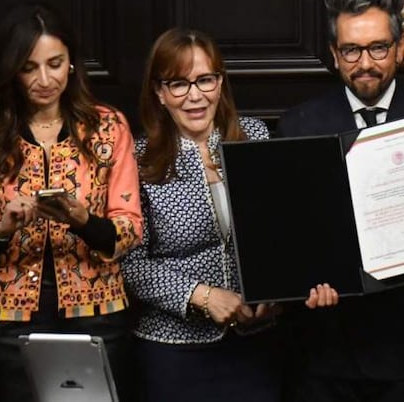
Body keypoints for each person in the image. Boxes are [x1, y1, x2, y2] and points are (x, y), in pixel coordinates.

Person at [122, 28, 334, 401]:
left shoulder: (254, 138)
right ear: (159, 92)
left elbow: (283, 233)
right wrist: (202, 296)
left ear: (220, 82)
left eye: (205, 79)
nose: (195, 95)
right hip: (173, 350)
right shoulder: (139, 160)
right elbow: (131, 265)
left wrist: (276, 297)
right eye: (178, 84)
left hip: (255, 345)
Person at [277, 0, 404, 402]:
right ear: (334, 55)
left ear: (399, 49)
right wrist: (303, 283)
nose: (365, 63)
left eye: (378, 48)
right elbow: (288, 233)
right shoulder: (299, 126)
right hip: (327, 356)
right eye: (351, 51)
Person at [0, 3, 143, 402]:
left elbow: (129, 229)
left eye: (55, 63)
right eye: (29, 68)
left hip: (97, 317)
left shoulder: (108, 127)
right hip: (8, 319)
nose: (45, 79)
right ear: (12, 71)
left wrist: (82, 219)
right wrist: (5, 228)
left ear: (72, 64)